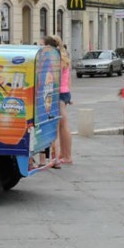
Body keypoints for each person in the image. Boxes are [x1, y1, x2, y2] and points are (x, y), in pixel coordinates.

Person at [51, 35, 73, 165]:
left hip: (59, 93)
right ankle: (63, 154)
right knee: (61, 126)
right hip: (64, 92)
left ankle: (67, 156)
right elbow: (69, 80)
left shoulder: (58, 59)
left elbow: (54, 78)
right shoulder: (63, 58)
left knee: (63, 126)